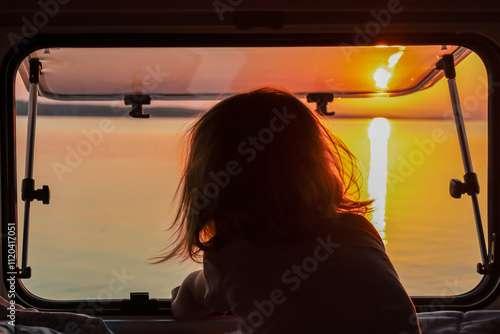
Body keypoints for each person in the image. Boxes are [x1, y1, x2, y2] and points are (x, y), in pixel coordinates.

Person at [155, 87, 421, 333]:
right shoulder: (359, 229)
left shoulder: (228, 256)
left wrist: (189, 290)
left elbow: (186, 307)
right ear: (316, 165)